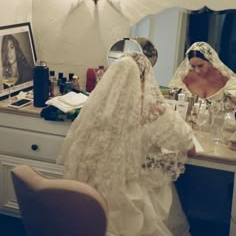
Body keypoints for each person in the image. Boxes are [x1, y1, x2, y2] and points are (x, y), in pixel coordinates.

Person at [57, 52, 195, 236]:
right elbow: (189, 148)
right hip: (128, 194)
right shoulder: (155, 111)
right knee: (163, 181)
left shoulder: (97, 108)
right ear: (145, 80)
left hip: (91, 195)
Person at [169, 41, 236, 102]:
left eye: (200, 66)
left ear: (210, 61)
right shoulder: (184, 77)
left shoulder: (224, 77)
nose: (197, 71)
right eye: (193, 66)